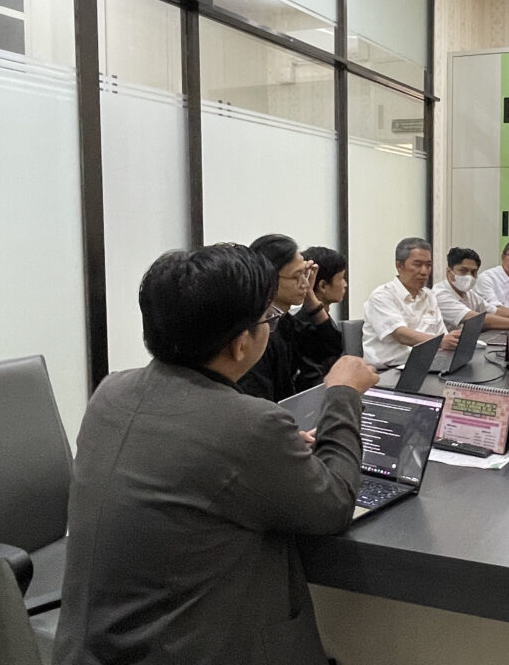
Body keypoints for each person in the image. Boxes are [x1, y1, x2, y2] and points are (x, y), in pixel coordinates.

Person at [54, 244, 379, 665]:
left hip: (91, 649)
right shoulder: (250, 424)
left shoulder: (111, 392)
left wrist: (271, 454)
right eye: (269, 318)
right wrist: (343, 394)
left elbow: (191, 459)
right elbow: (333, 505)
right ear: (240, 344)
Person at [238, 234, 344, 400]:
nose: (305, 283)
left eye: (305, 274)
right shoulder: (257, 331)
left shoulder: (284, 321)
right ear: (269, 278)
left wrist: (310, 298)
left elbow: (331, 347)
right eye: (297, 276)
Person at [362, 237, 460, 367]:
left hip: (426, 363)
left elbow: (441, 334)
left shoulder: (429, 296)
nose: (424, 271)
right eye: (418, 265)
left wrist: (454, 340)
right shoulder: (382, 296)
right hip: (389, 370)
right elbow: (401, 334)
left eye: (428, 265)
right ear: (399, 266)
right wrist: (440, 342)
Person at [435, 247, 509, 331]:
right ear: (449, 272)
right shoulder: (440, 294)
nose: (469, 276)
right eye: (463, 271)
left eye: (473, 272)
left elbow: (496, 311)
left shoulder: (469, 294)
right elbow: (477, 319)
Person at [298, 245, 349, 389]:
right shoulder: (306, 326)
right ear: (323, 286)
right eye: (341, 278)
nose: (345, 284)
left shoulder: (321, 318)